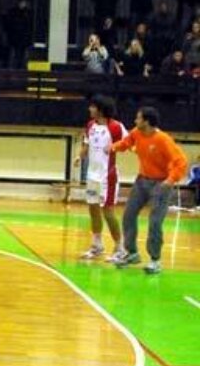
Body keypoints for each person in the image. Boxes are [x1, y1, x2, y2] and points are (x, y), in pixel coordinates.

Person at [108, 107, 188, 274]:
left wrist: (170, 180)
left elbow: (181, 162)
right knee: (129, 215)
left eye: (138, 118)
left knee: (155, 222)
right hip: (142, 180)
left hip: (161, 184)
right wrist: (113, 147)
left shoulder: (163, 139)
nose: (135, 121)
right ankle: (132, 253)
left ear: (146, 121)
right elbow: (126, 143)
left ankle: (155, 260)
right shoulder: (136, 132)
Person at [74, 95, 127, 262]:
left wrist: (115, 146)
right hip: (92, 175)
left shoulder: (116, 127)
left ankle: (120, 248)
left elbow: (129, 143)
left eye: (92, 106)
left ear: (101, 109)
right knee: (93, 210)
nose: (89, 109)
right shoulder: (90, 125)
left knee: (108, 212)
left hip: (107, 177)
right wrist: (79, 156)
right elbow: (86, 144)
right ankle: (97, 246)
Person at [4, 0, 33, 69]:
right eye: (21, 2)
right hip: (15, 39)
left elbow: (30, 25)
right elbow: (9, 25)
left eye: (24, 3)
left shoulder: (28, 13)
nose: (22, 4)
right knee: (14, 57)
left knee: (23, 58)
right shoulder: (13, 12)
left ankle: (21, 70)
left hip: (24, 39)